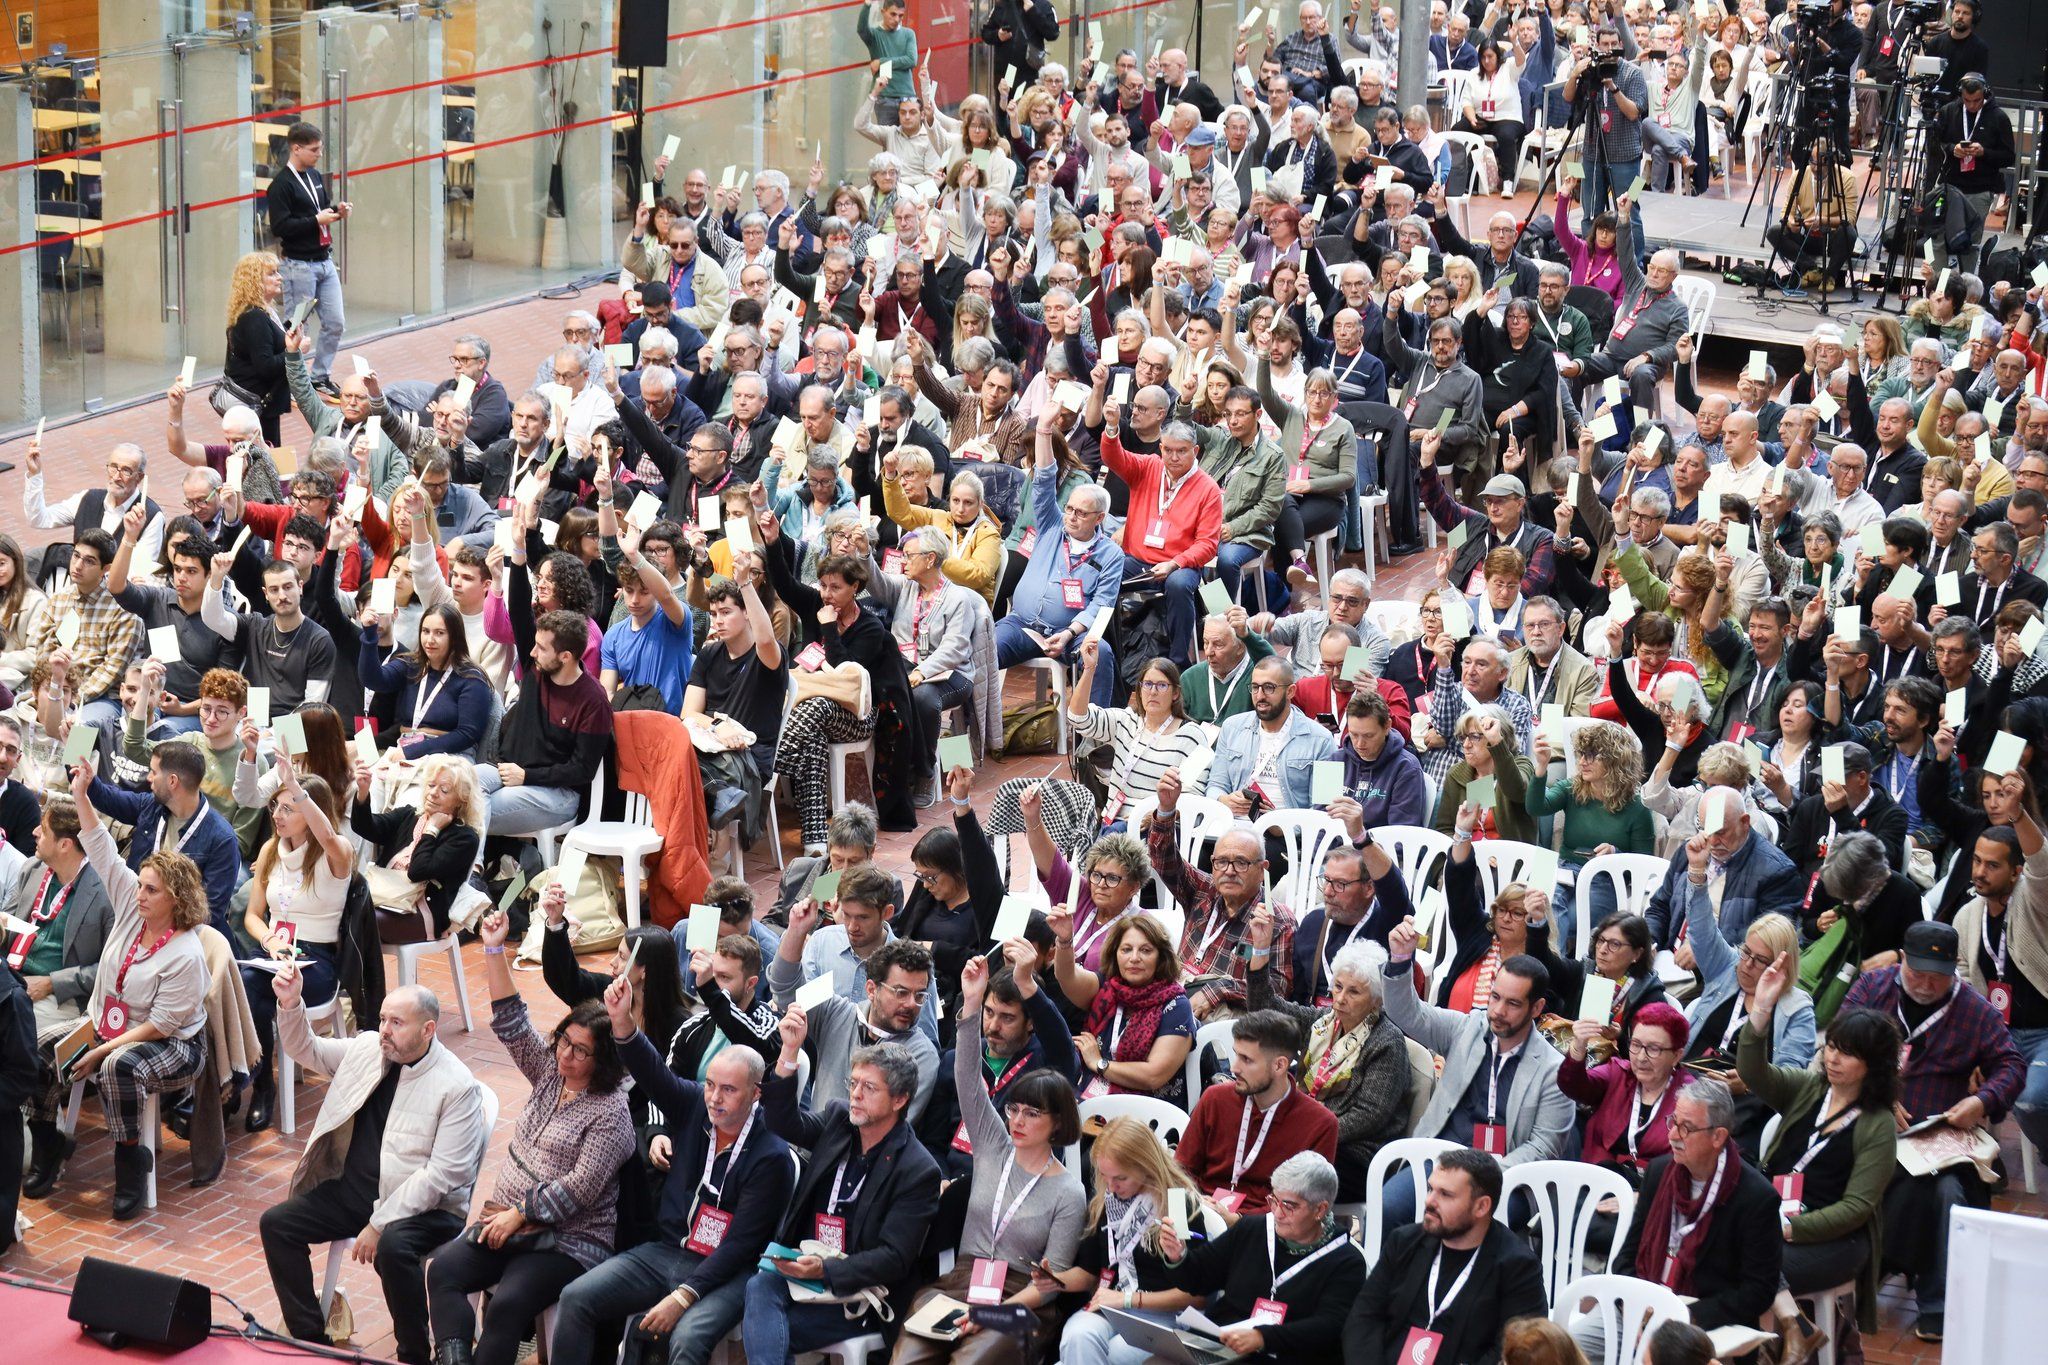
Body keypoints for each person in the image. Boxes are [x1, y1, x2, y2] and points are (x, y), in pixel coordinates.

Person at [546, 973, 796, 1365]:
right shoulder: (696, 1104)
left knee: (685, 1339)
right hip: (667, 1251)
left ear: (755, 1094)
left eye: (728, 1090)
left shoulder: (772, 1156)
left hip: (727, 1271)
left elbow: (740, 1247)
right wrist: (623, 1021)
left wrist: (683, 1296)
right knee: (576, 1297)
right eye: (711, 1084)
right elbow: (653, 1074)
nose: (714, 1098)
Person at [427, 909, 636, 1365]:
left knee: (507, 1306)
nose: (566, 1055)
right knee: (443, 1270)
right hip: (507, 1222)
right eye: (564, 1041)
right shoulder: (549, 1072)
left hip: (568, 1241)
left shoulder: (611, 1110)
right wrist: (494, 948)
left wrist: (519, 1215)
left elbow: (578, 1189)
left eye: (581, 1051)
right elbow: (510, 1021)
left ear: (603, 1061)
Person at [258, 975, 489, 1365]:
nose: (384, 1030)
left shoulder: (457, 1086)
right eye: (383, 1019)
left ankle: (414, 1354)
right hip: (356, 1194)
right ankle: (312, 1339)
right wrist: (291, 1005)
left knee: (395, 1249)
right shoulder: (368, 1048)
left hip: (427, 1209)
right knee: (277, 1224)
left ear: (428, 1029)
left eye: (396, 1023)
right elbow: (306, 1049)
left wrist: (380, 1222)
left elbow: (443, 1176)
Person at [21, 761, 211, 1221]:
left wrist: (101, 1050)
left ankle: (131, 1160)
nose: (140, 895)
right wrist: (82, 794)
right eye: (140, 886)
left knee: (116, 1069)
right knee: (34, 1050)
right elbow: (101, 846)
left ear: (176, 900)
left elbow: (159, 1025)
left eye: (152, 891)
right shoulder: (131, 904)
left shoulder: (186, 952)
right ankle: (50, 1141)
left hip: (169, 1041)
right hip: (106, 1024)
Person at [890, 955, 1086, 1365]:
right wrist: (972, 1005)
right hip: (961, 1283)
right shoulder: (995, 1144)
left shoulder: (1069, 1191)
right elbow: (966, 1078)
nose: (1015, 1120)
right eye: (1014, 1109)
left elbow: (1050, 1286)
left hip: (1021, 1303)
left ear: (1057, 1123)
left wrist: (991, 1312)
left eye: (1031, 1114)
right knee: (907, 1358)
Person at [1844, 919, 2026, 1343]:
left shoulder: (1973, 1009)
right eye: (1917, 972)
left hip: (1938, 1136)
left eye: (1938, 977)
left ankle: (1938, 1301)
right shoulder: (1873, 988)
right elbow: (1841, 1043)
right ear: (1902, 959)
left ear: (1954, 974)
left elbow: (2012, 1064)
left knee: (1947, 1193)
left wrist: (1980, 1102)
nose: (1926, 984)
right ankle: (1865, 1268)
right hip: (1869, 1122)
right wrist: (1879, 1095)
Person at [742, 1037, 943, 1365]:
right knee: (760, 1286)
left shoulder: (918, 1169)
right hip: (803, 1266)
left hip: (860, 1292)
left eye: (869, 1087)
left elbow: (893, 1259)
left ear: (900, 1099)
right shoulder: (839, 1120)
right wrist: (789, 1053)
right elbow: (782, 1123)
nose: (855, 1094)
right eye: (853, 1083)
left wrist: (825, 1269)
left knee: (767, 1333)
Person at [1741, 960, 1903, 1356]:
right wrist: (1760, 1013)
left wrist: (1791, 1228)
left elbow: (1856, 1209)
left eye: (1846, 1054)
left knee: (1746, 1258)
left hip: (1834, 1240)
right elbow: (1754, 1074)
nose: (1831, 1058)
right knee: (1732, 1246)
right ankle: (1792, 1331)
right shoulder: (1811, 1088)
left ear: (1873, 1065)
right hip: (1774, 1216)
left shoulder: (1878, 1125)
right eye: (1831, 1046)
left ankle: (1775, 1343)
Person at [1379, 909, 1572, 1220]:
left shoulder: (1553, 1070)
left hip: (1504, 1177)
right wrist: (1400, 959)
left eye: (1512, 1003)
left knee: (1473, 1227)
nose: (1496, 1010)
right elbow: (1408, 1014)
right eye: (1495, 997)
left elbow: (1542, 1147)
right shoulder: (1468, 1027)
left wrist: (1478, 1173)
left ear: (1537, 1008)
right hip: (1440, 1159)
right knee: (1388, 1207)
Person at [1245, 902, 1409, 1200]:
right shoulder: (1323, 1022)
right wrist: (1259, 950)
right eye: (1337, 986)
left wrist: (1302, 1130)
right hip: (1305, 1133)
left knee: (1269, 1163)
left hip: (1354, 1155)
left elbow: (1366, 1117)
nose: (1340, 999)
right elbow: (1264, 1009)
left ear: (1375, 1000)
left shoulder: (1387, 1042)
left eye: (1354, 991)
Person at [1140, 1149, 1363, 1362]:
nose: (1277, 1213)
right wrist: (1177, 1256)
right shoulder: (1253, 1229)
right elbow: (1197, 1278)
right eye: (1274, 1200)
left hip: (1289, 1356)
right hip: (1224, 1346)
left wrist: (1262, 1338)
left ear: (1320, 1210)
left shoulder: (1345, 1261)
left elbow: (1329, 1327)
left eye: (1289, 1206)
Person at [1605, 1079, 1780, 1342]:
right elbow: (1627, 1256)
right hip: (1643, 1307)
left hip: (1703, 1320)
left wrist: (1685, 1314)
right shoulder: (1658, 1172)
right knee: (1570, 1346)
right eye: (1673, 1122)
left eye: (1686, 1128)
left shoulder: (1755, 1197)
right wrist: (1634, 1304)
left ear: (1718, 1136)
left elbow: (1758, 1291)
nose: (1673, 1135)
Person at [1343, 1148, 1548, 1365]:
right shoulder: (1404, 1241)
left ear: (1481, 1206)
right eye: (1431, 1189)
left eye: (1445, 1194)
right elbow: (1364, 1317)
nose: (1430, 1201)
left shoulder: (1517, 1267)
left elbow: (1516, 1351)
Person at [239, 758, 354, 1133]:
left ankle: (258, 1085)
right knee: (241, 983)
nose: (278, 814)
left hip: (316, 957)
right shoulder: (271, 851)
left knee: (258, 987)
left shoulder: (337, 853)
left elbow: (327, 836)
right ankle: (260, 1082)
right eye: (276, 806)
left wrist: (299, 790)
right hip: (275, 949)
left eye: (289, 808)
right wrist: (270, 939)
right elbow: (253, 916)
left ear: (311, 811)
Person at [1046, 1115, 1207, 1365]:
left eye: (1120, 1178)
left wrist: (1128, 1300)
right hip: (1112, 1305)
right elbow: (1088, 1272)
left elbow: (1196, 1296)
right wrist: (1055, 1280)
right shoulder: (1105, 1201)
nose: (1110, 1187)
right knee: (1077, 1337)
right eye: (1105, 1176)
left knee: (1114, 1355)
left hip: (1161, 1314)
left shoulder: (1175, 1203)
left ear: (1146, 1165)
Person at [769, 907, 940, 1121]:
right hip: (810, 1146)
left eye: (920, 996)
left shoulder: (922, 1055)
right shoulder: (835, 1011)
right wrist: (796, 931)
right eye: (901, 992)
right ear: (871, 989)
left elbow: (888, 1130)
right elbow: (784, 989)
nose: (911, 1004)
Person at [1150, 768, 1291, 1019]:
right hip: (1177, 997)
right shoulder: (1204, 890)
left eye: (1241, 863)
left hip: (1227, 1017)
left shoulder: (1276, 920)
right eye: (1221, 862)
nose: (1229, 871)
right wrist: (1166, 809)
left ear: (1262, 870)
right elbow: (1164, 861)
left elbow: (1277, 993)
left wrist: (1220, 989)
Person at [1175, 1010, 1339, 1218]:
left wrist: (1240, 1223)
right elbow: (1180, 1171)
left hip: (1270, 1231)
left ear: (1279, 1065)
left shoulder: (1321, 1124)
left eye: (1247, 1060)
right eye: (1236, 1055)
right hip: (1202, 1214)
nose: (1234, 1068)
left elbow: (1304, 1209)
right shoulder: (1215, 1099)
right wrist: (1184, 1220)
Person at [475, 608, 611, 841]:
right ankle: (470, 869)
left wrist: (528, 776)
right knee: (457, 783)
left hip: (558, 793)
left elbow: (582, 770)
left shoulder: (594, 702)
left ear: (565, 656)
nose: (532, 652)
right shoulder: (536, 669)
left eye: (542, 648)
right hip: (509, 771)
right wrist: (515, 570)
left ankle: (471, 872)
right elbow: (518, 611)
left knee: (470, 809)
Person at [85, 740, 242, 936]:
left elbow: (208, 913)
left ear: (173, 781)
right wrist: (77, 747)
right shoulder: (151, 806)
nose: (149, 777)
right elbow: (104, 797)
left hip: (184, 940)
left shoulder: (222, 839)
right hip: (137, 918)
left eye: (154, 772)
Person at [7, 795, 115, 1030]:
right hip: (13, 975)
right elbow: (7, 923)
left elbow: (111, 967)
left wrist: (50, 983)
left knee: (11, 1023)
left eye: (43, 830)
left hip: (61, 995)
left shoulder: (106, 894)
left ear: (65, 845)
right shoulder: (32, 869)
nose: (35, 832)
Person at [1558, 999, 1691, 1184]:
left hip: (1654, 1193)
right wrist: (1579, 1045)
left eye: (1653, 1049)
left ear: (1676, 1055)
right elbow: (1573, 1086)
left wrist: (1643, 1198)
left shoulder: (1690, 1098)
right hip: (1596, 1181)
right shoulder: (1619, 1073)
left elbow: (1689, 1169)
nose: (1641, 1058)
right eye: (1635, 1045)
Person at [266, 122, 350, 388]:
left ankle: (320, 375)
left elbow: (319, 209)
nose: (319, 155)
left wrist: (336, 210)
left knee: (335, 322)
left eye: (320, 149)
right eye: (314, 150)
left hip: (324, 261)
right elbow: (280, 227)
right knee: (296, 328)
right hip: (299, 266)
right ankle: (295, 381)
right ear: (296, 148)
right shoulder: (281, 185)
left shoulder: (314, 176)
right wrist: (316, 219)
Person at [359, 603, 494, 760]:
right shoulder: (410, 665)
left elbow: (467, 734)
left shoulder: (471, 679)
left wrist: (414, 752)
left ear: (454, 637)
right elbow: (374, 680)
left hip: (450, 756)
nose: (430, 640)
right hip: (404, 748)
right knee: (362, 777)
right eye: (425, 631)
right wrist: (369, 636)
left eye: (439, 633)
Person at [1205, 656, 1340, 813]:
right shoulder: (1231, 727)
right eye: (1255, 687)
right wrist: (1224, 800)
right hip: (1235, 826)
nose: (1260, 696)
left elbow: (1327, 807)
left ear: (1290, 691)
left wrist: (1281, 825)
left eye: (1269, 688)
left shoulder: (1323, 740)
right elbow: (1215, 785)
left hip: (1289, 834)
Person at [222, 250, 291, 444]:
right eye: (271, 274)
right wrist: (294, 350)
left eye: (277, 272)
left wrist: (288, 332)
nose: (279, 278)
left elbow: (267, 342)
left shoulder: (263, 311)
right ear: (254, 282)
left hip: (262, 403)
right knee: (266, 456)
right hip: (258, 404)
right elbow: (266, 366)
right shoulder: (255, 318)